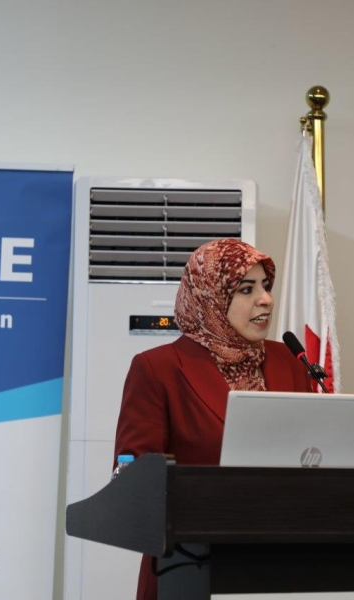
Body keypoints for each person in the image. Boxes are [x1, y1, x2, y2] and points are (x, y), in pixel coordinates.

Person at [114, 238, 313, 600]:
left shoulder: (291, 362)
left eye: (266, 286)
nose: (266, 299)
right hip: (189, 570)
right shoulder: (158, 369)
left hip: (282, 570)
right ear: (211, 297)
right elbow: (135, 483)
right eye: (246, 289)